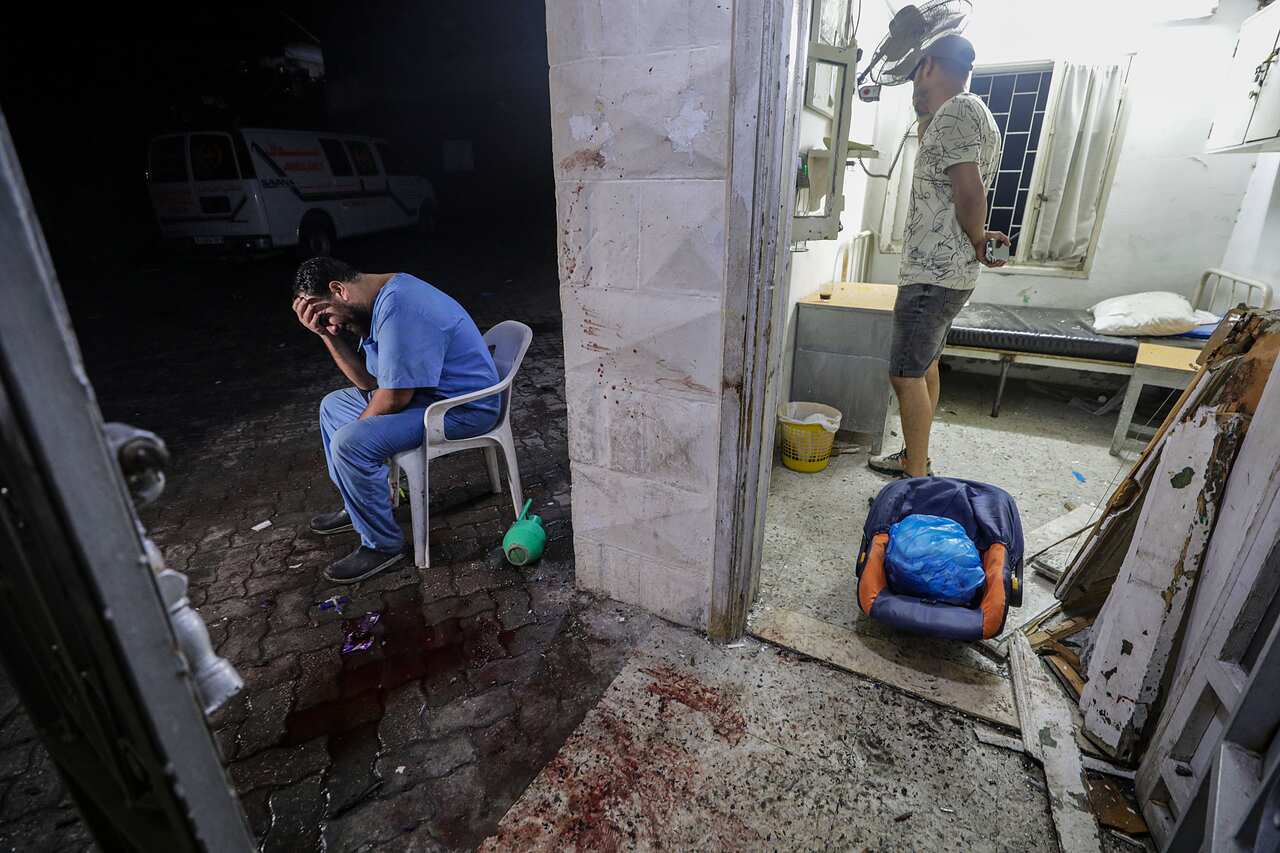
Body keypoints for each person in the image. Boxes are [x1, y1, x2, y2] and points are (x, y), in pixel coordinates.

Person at [291, 257, 500, 583]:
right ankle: (358, 502)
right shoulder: (376, 302)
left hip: (460, 410)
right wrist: (325, 335)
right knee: (333, 405)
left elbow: (394, 398)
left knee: (351, 443)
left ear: (338, 290)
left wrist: (363, 434)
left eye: (327, 316)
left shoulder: (400, 305)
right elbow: (367, 383)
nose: (334, 325)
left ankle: (382, 546)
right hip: (424, 400)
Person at [869, 34, 1009, 479]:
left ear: (928, 66)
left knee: (905, 375)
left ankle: (915, 482)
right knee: (925, 366)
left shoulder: (956, 114)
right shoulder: (971, 113)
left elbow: (969, 188)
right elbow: (953, 171)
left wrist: (976, 233)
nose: (914, 84)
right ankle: (917, 459)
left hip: (933, 274)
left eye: (915, 74)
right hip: (949, 273)